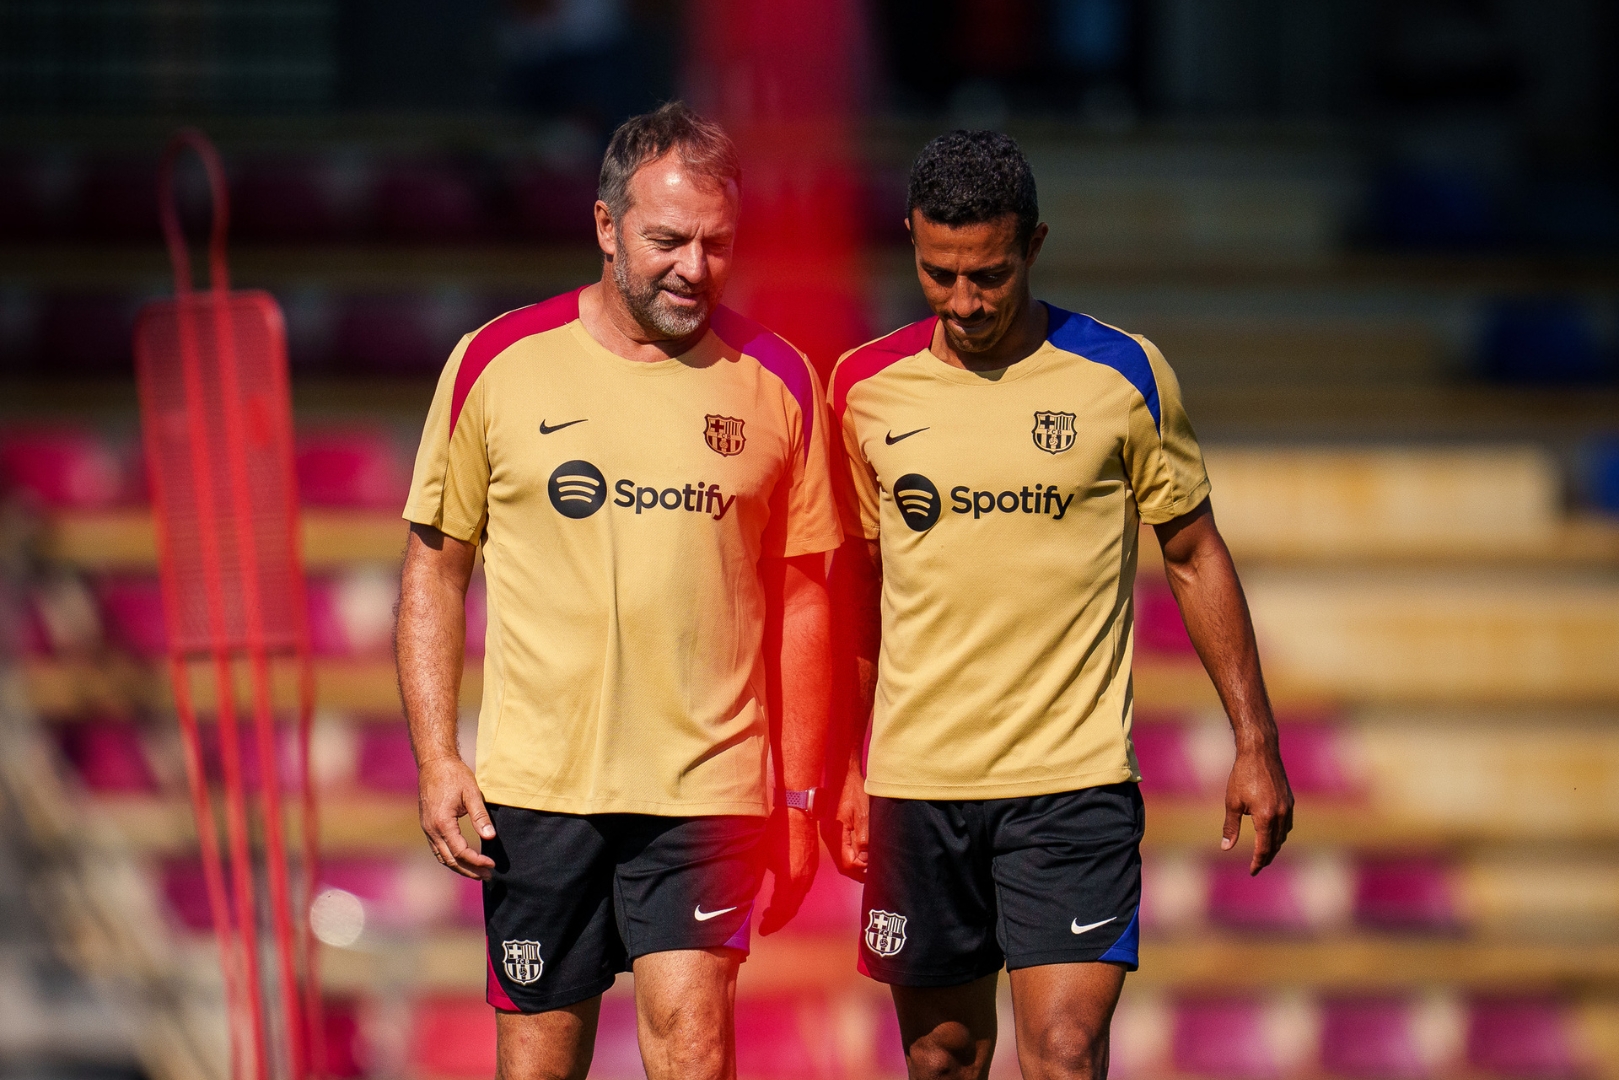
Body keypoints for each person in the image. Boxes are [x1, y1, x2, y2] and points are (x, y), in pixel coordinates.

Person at [822, 130, 1294, 1080]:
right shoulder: (863, 389)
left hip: (1071, 784)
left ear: (1033, 246)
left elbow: (1194, 551)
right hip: (920, 787)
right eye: (938, 273)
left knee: (1064, 1052)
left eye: (988, 275)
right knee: (943, 1053)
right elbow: (852, 593)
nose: (963, 302)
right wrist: (841, 765)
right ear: (911, 240)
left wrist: (1253, 739)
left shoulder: (1123, 375)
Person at [395, 102, 842, 1080]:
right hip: (538, 791)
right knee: (538, 1059)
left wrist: (801, 794)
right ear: (605, 227)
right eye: (666, 240)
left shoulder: (777, 381)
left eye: (716, 244)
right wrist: (435, 756)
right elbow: (435, 566)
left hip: (707, 787)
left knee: (693, 1035)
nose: (693, 267)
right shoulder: (494, 363)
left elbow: (808, 599)